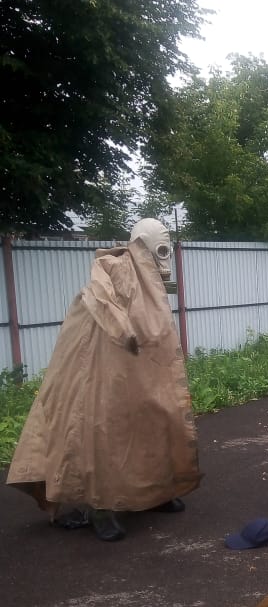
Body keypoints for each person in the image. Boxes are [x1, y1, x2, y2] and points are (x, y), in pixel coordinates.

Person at [6, 219, 201, 541]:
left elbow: (153, 326)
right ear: (141, 243)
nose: (163, 257)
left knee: (154, 422)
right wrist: (123, 331)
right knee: (101, 431)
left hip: (141, 368)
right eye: (160, 247)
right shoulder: (114, 268)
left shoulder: (148, 279)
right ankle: (99, 507)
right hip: (99, 368)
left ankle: (155, 494)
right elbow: (102, 300)